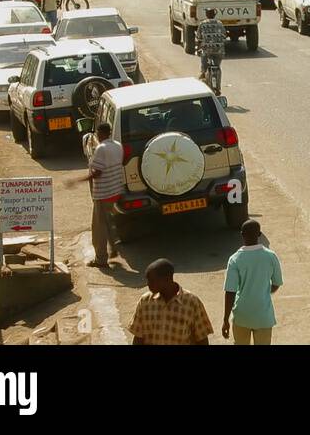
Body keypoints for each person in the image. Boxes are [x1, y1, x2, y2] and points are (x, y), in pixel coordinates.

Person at [68, 123, 124, 267]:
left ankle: (100, 259)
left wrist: (77, 180)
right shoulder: (117, 145)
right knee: (108, 221)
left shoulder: (101, 148)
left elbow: (97, 173)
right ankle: (113, 248)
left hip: (103, 193)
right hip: (115, 190)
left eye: (98, 133)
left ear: (101, 133)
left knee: (99, 227)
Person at [222, 219, 283, 345]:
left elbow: (230, 292)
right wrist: (263, 291)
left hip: (241, 316)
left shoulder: (235, 259)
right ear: (259, 234)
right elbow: (276, 284)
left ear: (242, 234)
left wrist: (225, 319)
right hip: (263, 316)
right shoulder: (271, 256)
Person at [129, 259, 213, 345]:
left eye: (152, 280)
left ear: (167, 279)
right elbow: (138, 337)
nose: (148, 284)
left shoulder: (191, 303)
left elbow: (202, 339)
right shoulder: (145, 302)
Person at [196, 7, 226, 86]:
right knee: (217, 67)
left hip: (207, 50)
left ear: (206, 15)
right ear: (214, 15)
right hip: (219, 50)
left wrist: (197, 48)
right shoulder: (220, 23)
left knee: (204, 65)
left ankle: (203, 74)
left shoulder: (202, 24)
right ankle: (218, 87)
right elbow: (224, 35)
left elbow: (199, 38)